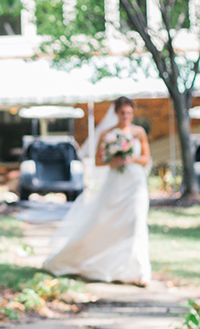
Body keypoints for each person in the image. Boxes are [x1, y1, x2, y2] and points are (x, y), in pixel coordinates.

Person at [43, 96, 151, 286]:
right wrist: (114, 159)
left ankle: (138, 271)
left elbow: (145, 158)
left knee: (136, 222)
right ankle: (102, 263)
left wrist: (131, 159)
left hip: (135, 182)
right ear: (116, 113)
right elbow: (98, 161)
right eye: (122, 112)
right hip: (116, 182)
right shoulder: (108, 134)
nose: (126, 116)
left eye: (129, 113)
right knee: (106, 221)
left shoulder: (138, 132)